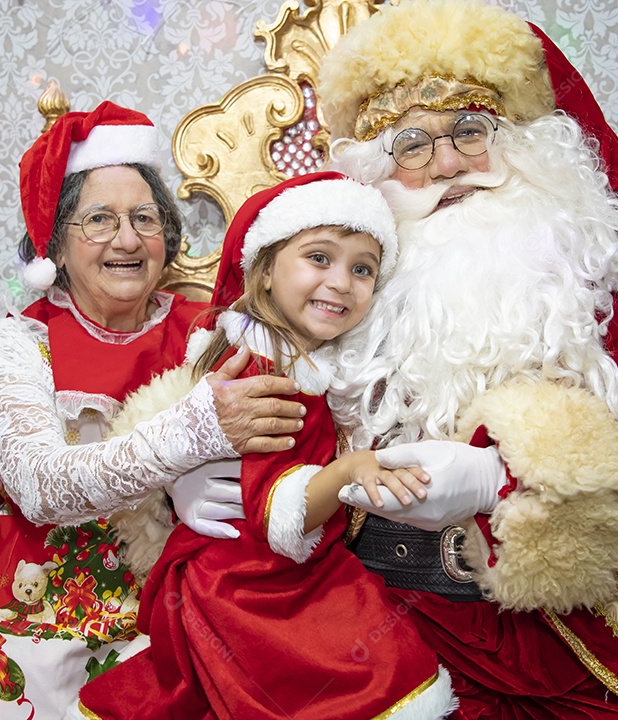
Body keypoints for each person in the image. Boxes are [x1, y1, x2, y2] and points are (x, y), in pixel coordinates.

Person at [311, 0, 618, 717]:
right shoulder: (338, 283)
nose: (450, 162)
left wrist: (506, 476)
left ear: (525, 140)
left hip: (571, 629)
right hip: (372, 617)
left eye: (469, 130)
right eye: (413, 145)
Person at [0, 101, 306, 720]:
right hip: (37, 599)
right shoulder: (16, 344)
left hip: (183, 591)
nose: (129, 240)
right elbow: (41, 486)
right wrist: (193, 435)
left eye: (144, 218)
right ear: (55, 241)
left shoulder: (214, 332)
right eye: (100, 221)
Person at [76, 172, 457, 719]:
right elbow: (279, 507)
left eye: (362, 268)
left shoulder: (301, 357)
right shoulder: (267, 373)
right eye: (319, 258)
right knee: (371, 666)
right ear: (266, 271)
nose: (342, 282)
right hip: (245, 579)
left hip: (257, 562)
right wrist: (350, 469)